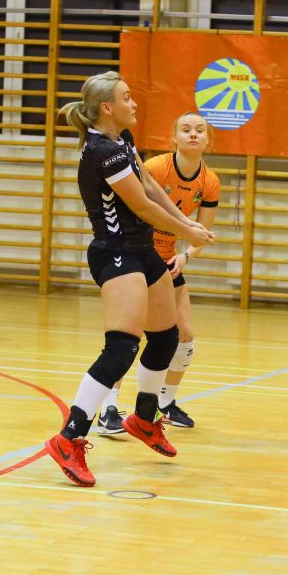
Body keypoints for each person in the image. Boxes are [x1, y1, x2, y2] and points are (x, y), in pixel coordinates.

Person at [44, 72, 214, 487]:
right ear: (107, 107)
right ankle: (69, 438)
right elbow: (140, 204)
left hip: (141, 250)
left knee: (166, 337)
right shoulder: (103, 152)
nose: (134, 103)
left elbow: (150, 185)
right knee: (121, 348)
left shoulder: (121, 140)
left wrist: (185, 223)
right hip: (116, 252)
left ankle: (144, 417)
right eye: (126, 97)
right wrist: (186, 231)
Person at [96, 112, 220, 435]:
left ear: (208, 140)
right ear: (174, 138)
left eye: (200, 130)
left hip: (167, 262)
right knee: (129, 336)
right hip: (137, 258)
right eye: (186, 129)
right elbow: (134, 205)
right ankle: (109, 408)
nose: (193, 134)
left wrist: (186, 256)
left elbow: (202, 233)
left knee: (185, 335)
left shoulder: (209, 181)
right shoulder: (155, 168)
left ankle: (165, 401)